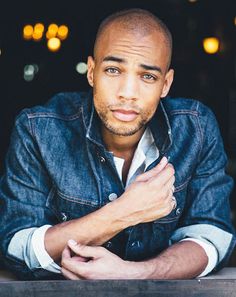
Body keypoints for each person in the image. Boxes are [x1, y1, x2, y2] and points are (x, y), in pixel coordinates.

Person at [0, 8, 235, 281]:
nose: (127, 93)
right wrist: (122, 213)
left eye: (147, 76)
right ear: (91, 72)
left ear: (166, 84)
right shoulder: (38, 129)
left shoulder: (197, 128)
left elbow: (211, 235)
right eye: (113, 70)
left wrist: (133, 273)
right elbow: (15, 247)